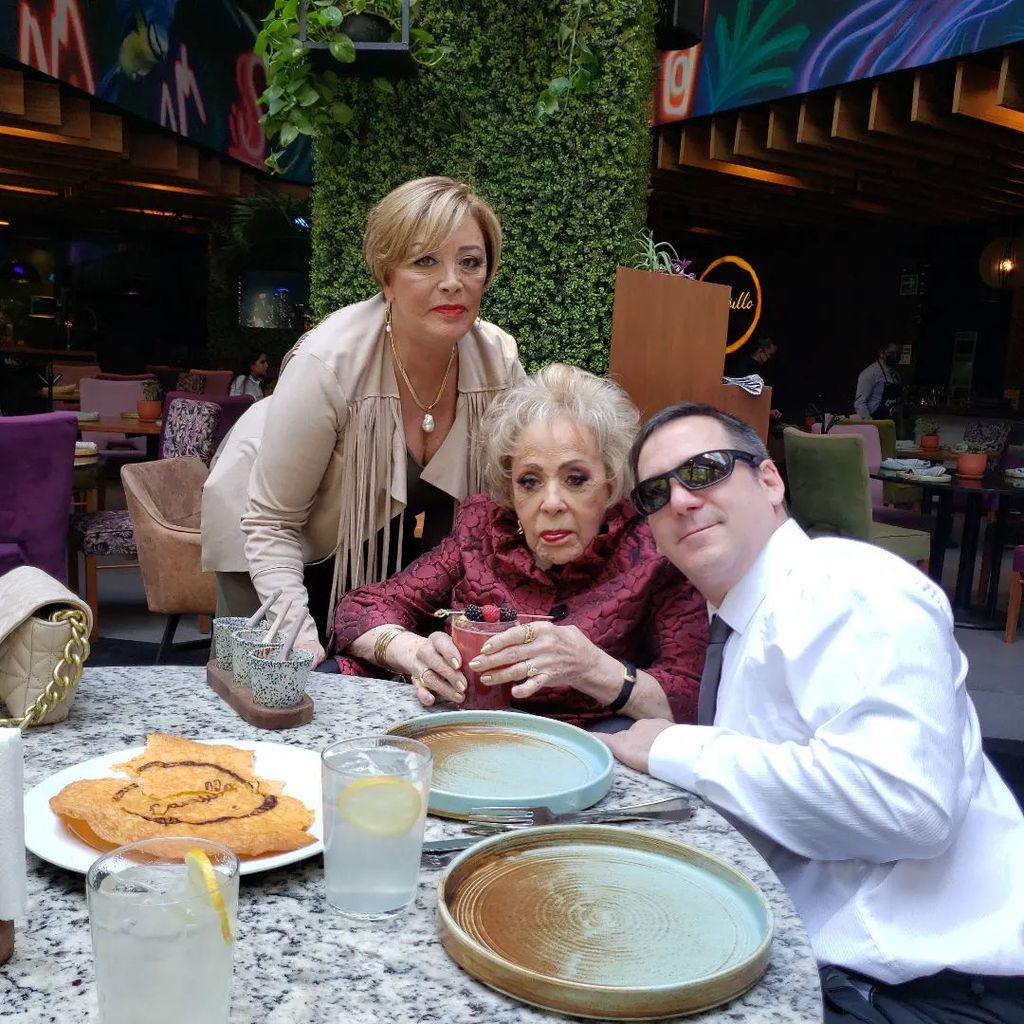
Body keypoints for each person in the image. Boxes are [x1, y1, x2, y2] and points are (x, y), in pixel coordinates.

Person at [602, 401, 1024, 1024]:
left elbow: (906, 805)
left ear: (770, 481)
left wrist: (673, 747)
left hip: (930, 985)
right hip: (842, 964)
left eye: (705, 470)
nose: (681, 501)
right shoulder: (748, 617)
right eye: (655, 493)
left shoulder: (844, 587)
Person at [202, 177, 525, 666]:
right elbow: (271, 522)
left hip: (370, 541)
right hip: (267, 539)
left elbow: (516, 496)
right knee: (280, 684)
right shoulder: (327, 363)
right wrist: (297, 635)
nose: (453, 280)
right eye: (425, 260)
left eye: (470, 262)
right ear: (386, 276)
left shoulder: (497, 360)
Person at [329, 365, 708, 727]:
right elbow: (359, 610)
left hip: (587, 754)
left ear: (610, 484)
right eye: (529, 481)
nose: (552, 502)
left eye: (576, 479)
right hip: (464, 733)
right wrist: (415, 654)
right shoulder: (482, 532)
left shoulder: (654, 552)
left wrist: (592, 669)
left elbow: (691, 701)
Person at [854, 342, 903, 422]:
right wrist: (871, 425)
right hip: (876, 423)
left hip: (892, 424)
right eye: (891, 353)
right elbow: (859, 403)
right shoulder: (870, 373)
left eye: (898, 353)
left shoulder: (896, 375)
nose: (895, 356)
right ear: (881, 353)